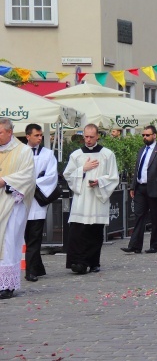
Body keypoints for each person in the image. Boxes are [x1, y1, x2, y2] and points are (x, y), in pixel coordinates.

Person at [64, 124, 119, 273]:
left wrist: (99, 182)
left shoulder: (107, 154)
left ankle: (94, 262)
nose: (88, 140)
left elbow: (114, 177)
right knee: (78, 231)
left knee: (95, 231)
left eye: (91, 137)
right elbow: (67, 175)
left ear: (97, 136)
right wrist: (83, 169)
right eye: (86, 137)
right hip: (81, 199)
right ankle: (77, 262)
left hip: (97, 198)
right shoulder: (76, 155)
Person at [121, 126, 157, 254]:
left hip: (154, 188)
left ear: (154, 135)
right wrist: (133, 186)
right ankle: (135, 245)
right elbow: (137, 168)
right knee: (138, 216)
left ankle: (155, 245)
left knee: (155, 218)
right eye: (143, 135)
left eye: (147, 135)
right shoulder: (141, 150)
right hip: (140, 187)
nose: (145, 137)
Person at [0, 118, 35, 299]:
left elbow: (28, 175)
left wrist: (6, 181)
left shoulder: (23, 151)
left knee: (8, 241)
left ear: (9, 132)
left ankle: (7, 285)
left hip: (12, 203)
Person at [23, 124, 58, 282]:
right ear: (28, 136)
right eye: (36, 135)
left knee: (35, 237)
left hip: (37, 201)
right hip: (21, 200)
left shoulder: (49, 154)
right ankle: (38, 267)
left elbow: (51, 176)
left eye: (40, 135)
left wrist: (34, 183)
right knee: (26, 236)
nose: (39, 138)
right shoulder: (20, 153)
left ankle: (30, 271)